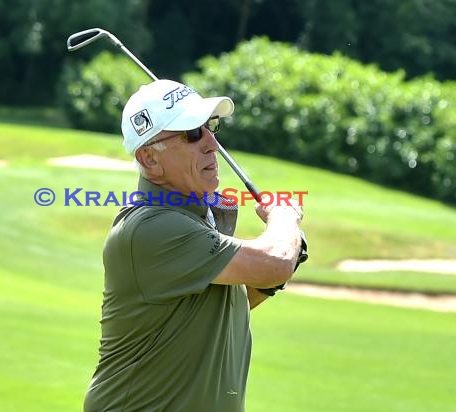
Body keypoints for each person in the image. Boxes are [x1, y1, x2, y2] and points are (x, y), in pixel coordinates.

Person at [84, 79, 306, 412]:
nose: (212, 143)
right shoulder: (153, 227)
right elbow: (274, 263)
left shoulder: (195, 219)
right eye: (192, 134)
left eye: (210, 127)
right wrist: (285, 219)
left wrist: (286, 259)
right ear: (149, 158)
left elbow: (228, 307)